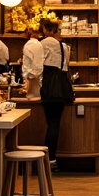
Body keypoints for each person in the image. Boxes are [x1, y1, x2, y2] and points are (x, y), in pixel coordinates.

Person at [38, 18, 70, 170]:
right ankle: (52, 160)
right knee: (55, 123)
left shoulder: (41, 44)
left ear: (45, 29)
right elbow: (65, 68)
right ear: (55, 31)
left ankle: (47, 160)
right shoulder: (64, 46)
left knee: (50, 123)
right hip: (61, 89)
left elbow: (36, 66)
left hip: (47, 88)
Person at [20, 25, 43, 99]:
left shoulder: (29, 44)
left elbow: (28, 61)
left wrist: (26, 73)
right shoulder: (39, 44)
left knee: (32, 95)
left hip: (31, 73)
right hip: (39, 72)